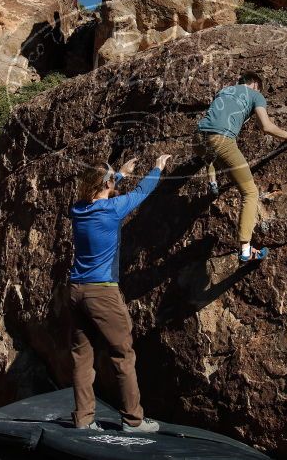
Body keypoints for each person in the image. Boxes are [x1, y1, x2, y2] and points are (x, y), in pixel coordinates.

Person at [69, 154, 172, 433]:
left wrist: (121, 174)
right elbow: (143, 192)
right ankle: (133, 421)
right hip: (101, 292)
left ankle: (83, 419)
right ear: (105, 184)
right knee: (123, 354)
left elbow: (101, 188)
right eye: (112, 177)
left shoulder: (77, 210)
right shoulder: (112, 209)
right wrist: (157, 168)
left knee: (82, 357)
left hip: (76, 290)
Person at [196, 72, 287, 262]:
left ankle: (212, 181)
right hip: (221, 140)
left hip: (198, 139)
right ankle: (246, 250)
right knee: (250, 192)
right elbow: (266, 127)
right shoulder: (256, 95)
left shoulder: (224, 90)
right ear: (255, 84)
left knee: (210, 155)